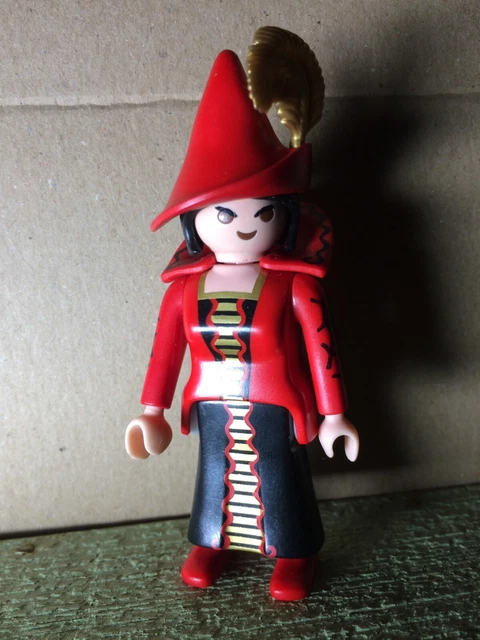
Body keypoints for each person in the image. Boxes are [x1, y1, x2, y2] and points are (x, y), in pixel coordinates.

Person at [125, 45, 359, 602]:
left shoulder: (296, 284)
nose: (246, 226)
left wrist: (334, 415)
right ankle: (212, 541)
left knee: (279, 479)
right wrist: (151, 411)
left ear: (287, 214)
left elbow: (322, 350)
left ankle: (294, 552)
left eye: (264, 211)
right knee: (216, 476)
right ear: (196, 220)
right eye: (226, 213)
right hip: (210, 404)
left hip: (277, 403)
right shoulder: (183, 289)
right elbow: (164, 353)